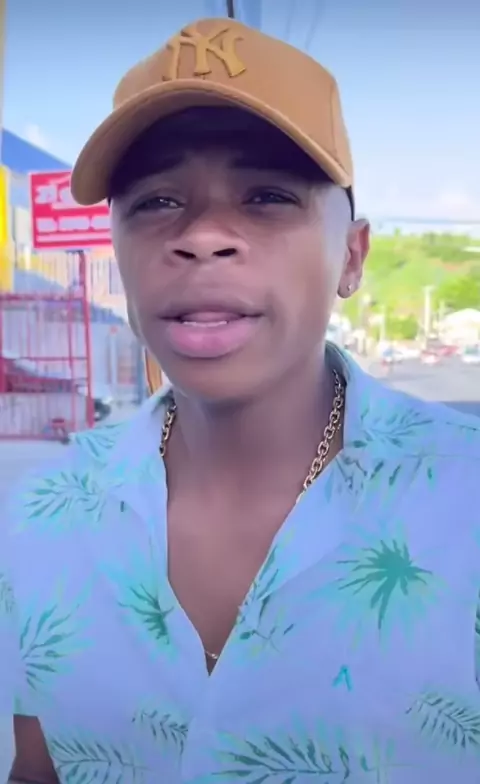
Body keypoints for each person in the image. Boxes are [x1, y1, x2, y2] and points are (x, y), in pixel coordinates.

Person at [2, 16, 480, 784]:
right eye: (156, 201)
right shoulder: (41, 517)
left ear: (352, 256)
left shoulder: (465, 502)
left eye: (267, 195)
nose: (203, 236)